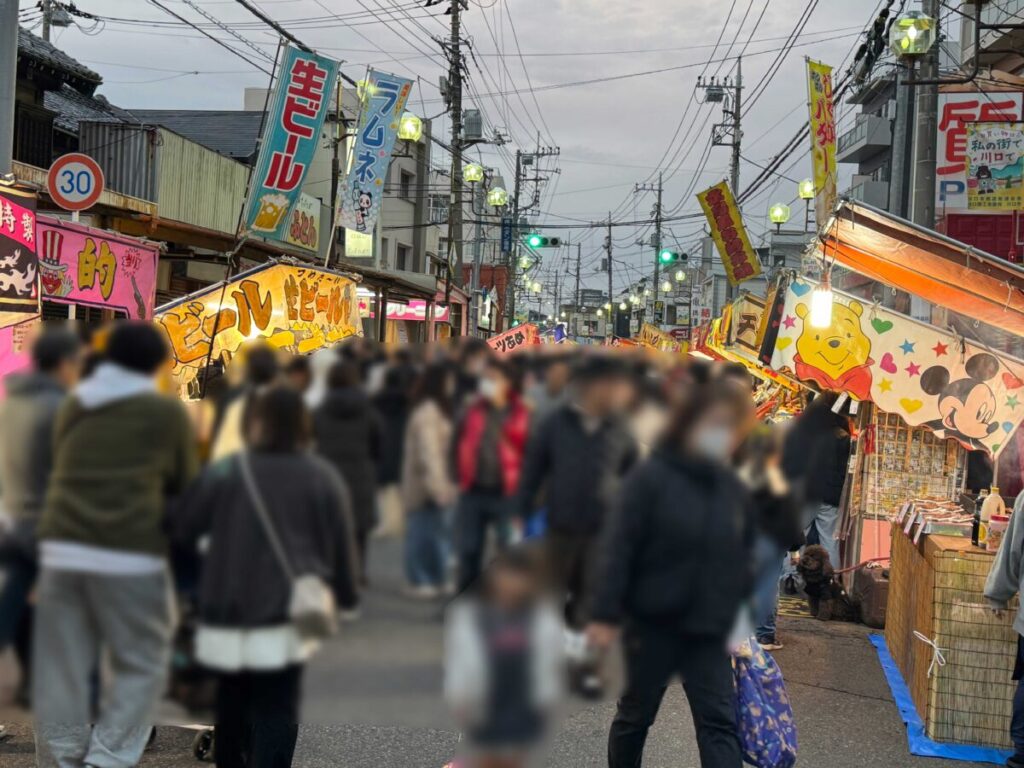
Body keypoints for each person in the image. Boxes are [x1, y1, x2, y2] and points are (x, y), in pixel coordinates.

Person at [33, 321, 199, 768]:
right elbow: (185, 486)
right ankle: (107, 759)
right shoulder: (165, 413)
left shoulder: (71, 405)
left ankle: (63, 759)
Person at [169, 385, 359, 768]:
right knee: (277, 702)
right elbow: (340, 546)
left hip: (226, 606)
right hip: (286, 609)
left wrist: (192, 586)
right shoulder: (320, 476)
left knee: (231, 698)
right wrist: (344, 596)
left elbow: (184, 530)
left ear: (256, 424)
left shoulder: (227, 471)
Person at [587, 380, 756, 768]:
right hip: (651, 626)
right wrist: (605, 614)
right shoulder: (650, 478)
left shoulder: (728, 485)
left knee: (719, 723)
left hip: (707, 627)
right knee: (635, 718)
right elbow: (618, 548)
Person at [517, 355, 637, 695]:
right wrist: (520, 511)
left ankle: (586, 667)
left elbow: (632, 476)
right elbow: (533, 469)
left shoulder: (620, 428)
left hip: (602, 532)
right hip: (560, 525)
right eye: (608, 385)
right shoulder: (556, 423)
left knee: (592, 601)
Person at [0, 328, 82, 708]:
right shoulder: (61, 408)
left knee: (21, 606)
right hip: (46, 526)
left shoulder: (10, 405)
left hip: (11, 521)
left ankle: (33, 684)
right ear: (64, 363)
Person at [444, 548, 564, 768]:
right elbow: (464, 660)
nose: (511, 587)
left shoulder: (539, 617)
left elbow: (546, 660)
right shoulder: (474, 616)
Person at [454, 358, 529, 593]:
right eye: (485, 378)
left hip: (507, 493)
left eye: (493, 379)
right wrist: (455, 476)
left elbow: (532, 453)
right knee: (468, 550)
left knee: (508, 551)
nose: (487, 383)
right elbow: (456, 442)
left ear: (507, 383)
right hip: (473, 490)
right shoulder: (472, 410)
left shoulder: (522, 413)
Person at [313, 358, 382, 583]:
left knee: (330, 526)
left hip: (328, 474)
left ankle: (331, 570)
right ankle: (357, 571)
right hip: (360, 473)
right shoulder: (368, 411)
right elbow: (378, 443)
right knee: (358, 529)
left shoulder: (320, 412)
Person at [401, 362, 457, 597]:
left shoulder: (436, 410)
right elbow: (429, 452)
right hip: (426, 483)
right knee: (422, 533)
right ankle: (420, 579)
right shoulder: (428, 412)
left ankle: (435, 576)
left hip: (437, 480)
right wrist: (438, 487)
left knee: (436, 533)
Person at [210, 343, 280, 461]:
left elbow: (219, 445)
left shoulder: (232, 400)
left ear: (248, 369)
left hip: (236, 463)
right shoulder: (283, 399)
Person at [373, 366, 413, 538]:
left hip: (383, 446)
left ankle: (387, 523)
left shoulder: (376, 401)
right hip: (402, 446)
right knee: (401, 487)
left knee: (384, 491)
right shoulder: (408, 401)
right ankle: (403, 522)